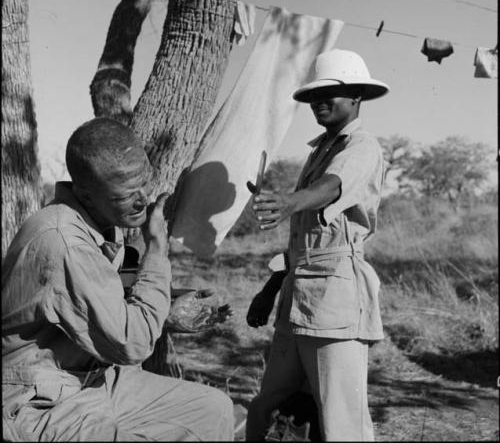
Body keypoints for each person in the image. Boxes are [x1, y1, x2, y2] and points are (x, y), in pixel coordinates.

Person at [2, 117, 234, 441]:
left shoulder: (100, 222)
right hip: (39, 395)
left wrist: (167, 308)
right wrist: (156, 249)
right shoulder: (63, 241)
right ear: (85, 193)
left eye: (145, 182)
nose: (142, 199)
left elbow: (108, 304)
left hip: (94, 379)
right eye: (126, 194)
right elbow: (131, 343)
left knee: (213, 409)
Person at [245, 49, 390, 441]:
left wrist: (290, 202)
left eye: (331, 93)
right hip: (297, 297)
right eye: (314, 95)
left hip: (335, 299)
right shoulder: (318, 151)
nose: (318, 102)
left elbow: (332, 187)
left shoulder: (361, 147)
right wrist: (270, 289)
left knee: (341, 419)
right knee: (268, 405)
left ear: (357, 96)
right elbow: (302, 240)